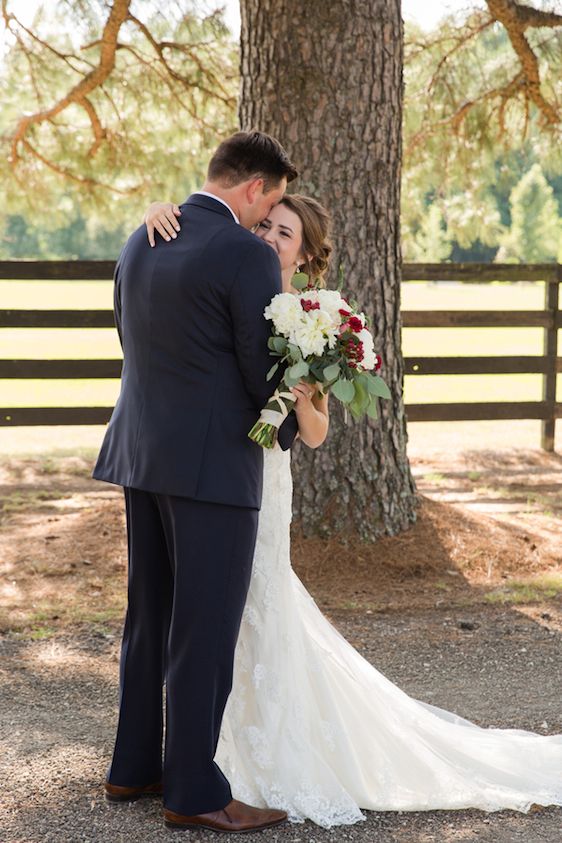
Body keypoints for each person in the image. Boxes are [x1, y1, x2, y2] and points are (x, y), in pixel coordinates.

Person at [143, 194, 562, 828]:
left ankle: (265, 755)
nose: (268, 237)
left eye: (284, 233)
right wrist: (154, 208)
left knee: (258, 604)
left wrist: (301, 394)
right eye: (265, 224)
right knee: (220, 614)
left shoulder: (312, 315)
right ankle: (208, 757)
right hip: (217, 467)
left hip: (262, 474)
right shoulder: (238, 285)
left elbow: (314, 434)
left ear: (308, 256)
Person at [93, 130, 301, 834]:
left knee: (149, 615)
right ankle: (193, 788)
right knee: (203, 630)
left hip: (141, 453)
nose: (265, 217)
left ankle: (133, 767)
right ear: (254, 189)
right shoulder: (246, 253)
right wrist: (292, 416)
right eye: (268, 202)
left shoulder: (139, 239)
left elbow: (129, 332)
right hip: (212, 466)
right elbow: (258, 367)